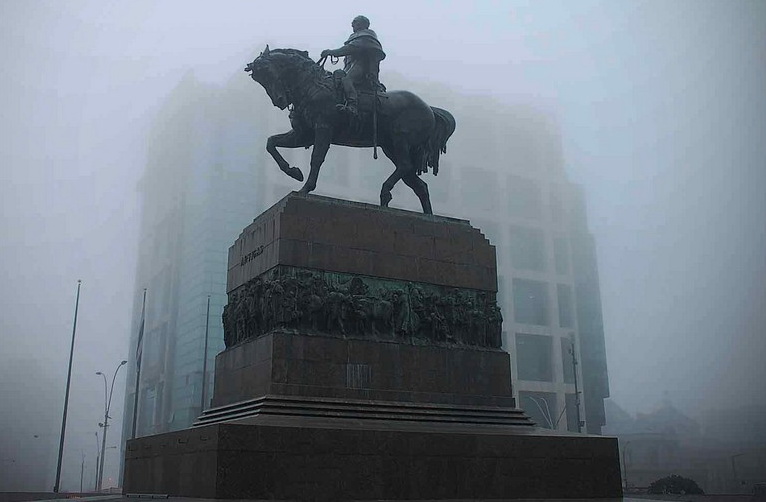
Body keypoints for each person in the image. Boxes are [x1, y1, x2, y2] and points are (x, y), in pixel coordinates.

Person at [321, 15, 386, 117]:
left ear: (364, 24)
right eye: (353, 22)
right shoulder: (357, 37)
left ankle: (352, 106)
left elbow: (350, 48)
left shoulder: (366, 37)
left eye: (355, 22)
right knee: (336, 76)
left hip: (362, 67)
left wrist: (331, 52)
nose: (352, 24)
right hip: (351, 66)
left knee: (346, 79)